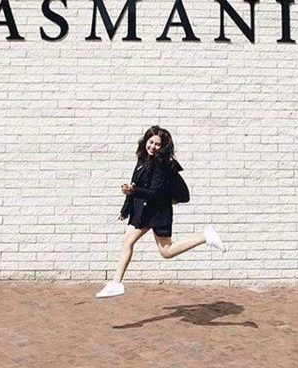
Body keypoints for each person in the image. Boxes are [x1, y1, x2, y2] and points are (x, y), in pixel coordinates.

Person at [96, 125, 227, 298]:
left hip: (157, 212)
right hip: (144, 210)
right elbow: (135, 184)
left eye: (157, 144)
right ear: (145, 141)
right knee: (149, 247)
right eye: (151, 142)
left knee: (153, 248)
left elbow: (154, 192)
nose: (153, 147)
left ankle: (116, 283)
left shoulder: (160, 164)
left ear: (163, 146)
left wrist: (133, 191)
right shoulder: (143, 158)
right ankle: (116, 283)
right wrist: (125, 209)